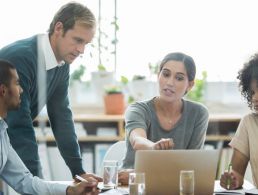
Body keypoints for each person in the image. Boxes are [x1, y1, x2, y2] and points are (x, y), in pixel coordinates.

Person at [0, 2, 102, 182]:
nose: (81, 50)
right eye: (78, 40)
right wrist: (37, 184)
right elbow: (20, 127)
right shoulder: (21, 58)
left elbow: (61, 117)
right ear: (59, 28)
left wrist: (78, 172)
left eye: (86, 43)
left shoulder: (61, 64)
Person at [0, 60, 99, 194]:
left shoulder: (2, 131)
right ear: (3, 90)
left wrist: (70, 190)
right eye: (17, 83)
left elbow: (25, 181)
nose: (22, 90)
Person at [119, 52, 209, 184]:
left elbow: (191, 166)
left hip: (170, 185)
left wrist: (145, 176)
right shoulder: (137, 109)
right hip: (132, 184)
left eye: (179, 78)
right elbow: (137, 140)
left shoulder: (199, 114)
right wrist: (154, 147)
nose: (169, 83)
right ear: (158, 76)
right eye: (166, 74)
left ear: (190, 85)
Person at [220, 54, 258, 189]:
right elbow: (236, 173)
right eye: (252, 92)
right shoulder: (249, 123)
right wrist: (232, 180)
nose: (255, 98)